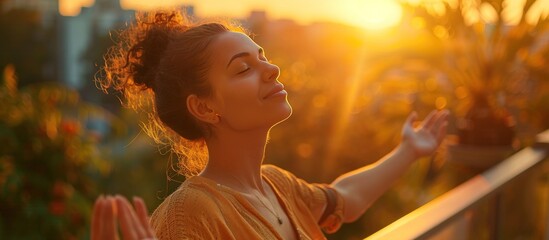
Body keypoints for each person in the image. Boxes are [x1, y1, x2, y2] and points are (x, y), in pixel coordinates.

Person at [92, 10, 449, 240]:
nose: (272, 69)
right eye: (243, 68)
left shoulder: (277, 186)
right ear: (204, 106)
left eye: (263, 57)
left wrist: (408, 151)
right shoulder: (188, 216)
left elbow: (346, 199)